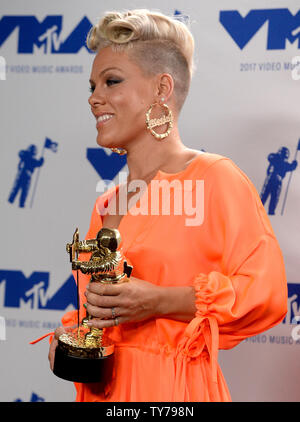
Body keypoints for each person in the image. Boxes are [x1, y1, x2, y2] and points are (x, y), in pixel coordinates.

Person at [48, 9, 287, 402]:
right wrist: (72, 339)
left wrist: (159, 301)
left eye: (112, 81)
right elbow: (95, 313)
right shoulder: (109, 202)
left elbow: (267, 295)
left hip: (176, 393)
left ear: (162, 89)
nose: (94, 98)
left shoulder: (215, 178)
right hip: (107, 393)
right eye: (92, 85)